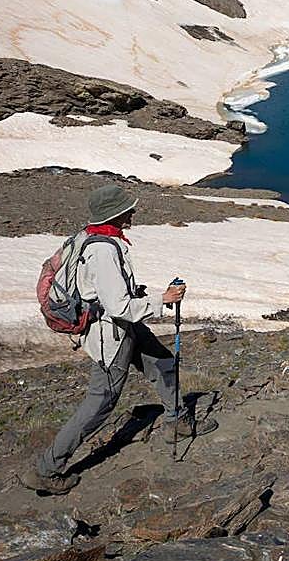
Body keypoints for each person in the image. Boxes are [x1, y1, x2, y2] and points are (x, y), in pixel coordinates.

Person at [21, 184, 217, 495]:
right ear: (116, 214)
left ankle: (177, 418)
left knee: (161, 361)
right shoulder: (103, 250)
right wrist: (162, 299)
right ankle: (47, 468)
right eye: (128, 208)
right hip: (111, 334)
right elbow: (119, 307)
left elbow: (107, 292)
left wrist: (137, 294)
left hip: (121, 327)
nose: (133, 212)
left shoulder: (88, 237)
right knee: (101, 402)